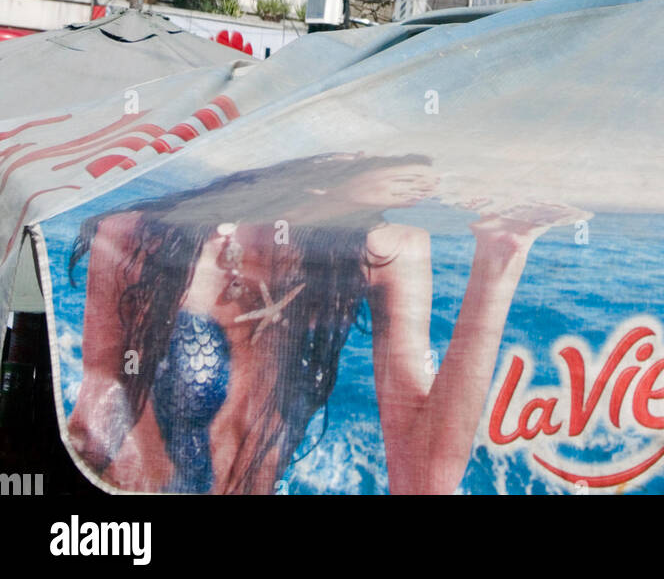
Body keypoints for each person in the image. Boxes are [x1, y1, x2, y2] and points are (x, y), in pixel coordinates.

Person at [68, 152, 570, 495]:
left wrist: (500, 256)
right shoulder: (137, 236)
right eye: (394, 154)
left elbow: (422, 478)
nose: (422, 173)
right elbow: (96, 426)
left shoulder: (388, 252)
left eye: (426, 157)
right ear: (322, 158)